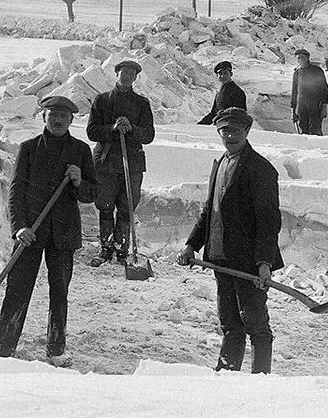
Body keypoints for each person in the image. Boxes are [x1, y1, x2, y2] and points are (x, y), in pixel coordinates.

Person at [0, 96, 97, 365]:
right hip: (31, 233)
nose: (58, 120)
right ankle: (4, 346)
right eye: (52, 115)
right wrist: (19, 228)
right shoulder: (28, 149)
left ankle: (56, 349)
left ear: (72, 120)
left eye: (63, 115)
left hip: (63, 233)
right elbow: (16, 192)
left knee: (59, 291)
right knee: (17, 289)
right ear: (43, 118)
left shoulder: (81, 151)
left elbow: (91, 195)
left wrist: (78, 180)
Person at [176, 107, 283, 374]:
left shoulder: (261, 169)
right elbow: (209, 211)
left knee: (256, 323)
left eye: (236, 130)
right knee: (230, 323)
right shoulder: (220, 164)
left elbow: (269, 221)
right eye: (225, 130)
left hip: (248, 261)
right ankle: (226, 374)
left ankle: (261, 376)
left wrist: (263, 262)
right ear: (219, 133)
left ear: (247, 132)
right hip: (221, 257)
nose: (230, 135)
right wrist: (192, 244)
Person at [86, 59, 156, 267]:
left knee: (127, 207)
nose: (127, 76)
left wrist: (132, 129)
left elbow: (149, 135)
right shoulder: (102, 100)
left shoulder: (142, 103)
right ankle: (106, 248)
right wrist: (113, 128)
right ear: (116, 74)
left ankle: (122, 250)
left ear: (136, 78)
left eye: (131, 74)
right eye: (123, 72)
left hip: (131, 163)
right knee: (105, 206)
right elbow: (91, 132)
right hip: (106, 162)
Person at [290, 49, 328, 136]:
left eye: (302, 57)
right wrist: (293, 110)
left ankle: (318, 149)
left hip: (315, 106)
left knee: (315, 131)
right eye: (298, 58)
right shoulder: (297, 73)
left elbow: (325, 89)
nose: (300, 60)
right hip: (301, 106)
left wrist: (324, 107)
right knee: (303, 131)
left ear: (308, 58)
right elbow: (294, 92)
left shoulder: (317, 71)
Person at [197, 60, 246, 125]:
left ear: (231, 74)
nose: (222, 76)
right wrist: (200, 125)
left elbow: (241, 114)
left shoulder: (237, 91)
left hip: (231, 128)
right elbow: (213, 113)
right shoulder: (219, 93)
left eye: (225, 73)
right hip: (220, 127)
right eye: (220, 73)